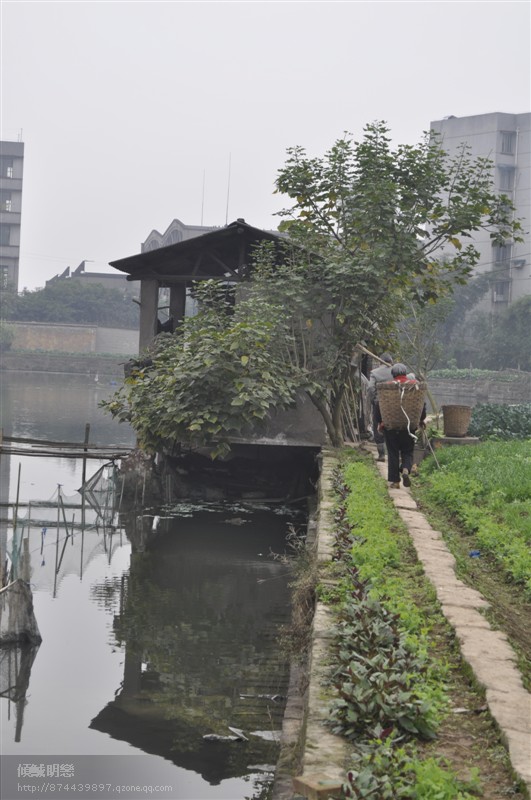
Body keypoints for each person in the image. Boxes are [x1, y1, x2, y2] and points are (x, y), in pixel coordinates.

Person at [374, 363, 426, 489]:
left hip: (390, 427)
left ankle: (395, 482)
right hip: (409, 426)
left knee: (393, 453)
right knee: (408, 451)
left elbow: (378, 405)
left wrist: (380, 422)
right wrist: (421, 420)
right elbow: (422, 405)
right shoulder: (414, 386)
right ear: (405, 372)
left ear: (393, 374)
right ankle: (406, 469)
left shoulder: (387, 387)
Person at [367, 353, 394, 461]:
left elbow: (370, 388)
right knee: (392, 426)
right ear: (391, 362)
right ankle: (393, 454)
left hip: (379, 403)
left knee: (377, 425)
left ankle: (382, 455)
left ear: (379, 361)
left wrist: (374, 399)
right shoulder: (394, 371)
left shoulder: (375, 373)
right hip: (394, 404)